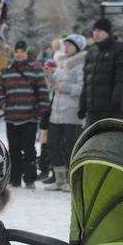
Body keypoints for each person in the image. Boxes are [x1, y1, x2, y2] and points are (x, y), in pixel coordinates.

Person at [0, 39, 50, 188]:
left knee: (29, 149)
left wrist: (40, 111)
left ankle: (30, 178)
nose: (19, 54)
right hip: (11, 117)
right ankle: (14, 179)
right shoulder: (7, 71)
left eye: (22, 52)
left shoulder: (35, 70)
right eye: (17, 52)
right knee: (13, 149)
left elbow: (43, 93)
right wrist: (4, 104)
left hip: (29, 117)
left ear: (27, 53)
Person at [46, 34, 86, 192]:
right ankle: (59, 179)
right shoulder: (61, 63)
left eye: (70, 44)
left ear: (77, 47)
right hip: (56, 111)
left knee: (71, 146)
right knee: (53, 145)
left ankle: (72, 180)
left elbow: (83, 88)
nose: (66, 47)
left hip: (72, 111)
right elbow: (54, 86)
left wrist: (66, 88)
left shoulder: (82, 65)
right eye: (66, 44)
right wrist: (49, 76)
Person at [79, 18, 123, 126]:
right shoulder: (91, 52)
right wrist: (83, 104)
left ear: (107, 32)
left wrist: (117, 100)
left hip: (111, 108)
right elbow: (87, 81)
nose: (96, 33)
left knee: (111, 141)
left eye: (99, 30)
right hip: (93, 108)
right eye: (94, 30)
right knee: (93, 141)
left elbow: (122, 78)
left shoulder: (119, 49)